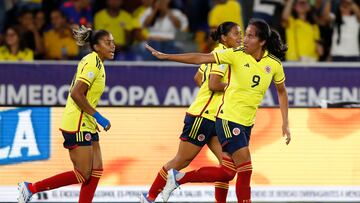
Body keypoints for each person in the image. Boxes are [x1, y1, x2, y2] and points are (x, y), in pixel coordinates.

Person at [145, 18, 291, 203]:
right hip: (228, 119)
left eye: (249, 36)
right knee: (246, 169)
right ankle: (152, 195)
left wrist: (285, 122)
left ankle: (179, 178)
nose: (244, 39)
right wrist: (166, 56)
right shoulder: (234, 54)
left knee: (228, 172)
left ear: (262, 41)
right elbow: (201, 59)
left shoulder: (274, 64)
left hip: (246, 123)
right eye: (243, 34)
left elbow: (282, 91)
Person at [140, 21, 242, 203]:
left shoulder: (219, 55)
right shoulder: (222, 55)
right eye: (236, 34)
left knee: (228, 169)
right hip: (202, 118)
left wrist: (212, 97)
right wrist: (235, 88)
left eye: (240, 33)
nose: (240, 37)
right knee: (180, 161)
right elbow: (213, 84)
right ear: (224, 38)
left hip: (216, 118)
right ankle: (150, 197)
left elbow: (198, 77)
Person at [17, 25, 115, 203]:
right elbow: (76, 93)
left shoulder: (98, 63)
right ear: (96, 46)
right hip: (77, 122)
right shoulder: (92, 62)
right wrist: (98, 116)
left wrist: (92, 118)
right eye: (107, 42)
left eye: (113, 42)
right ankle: (31, 188)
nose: (112, 45)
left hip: (86, 121)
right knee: (83, 174)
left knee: (97, 169)